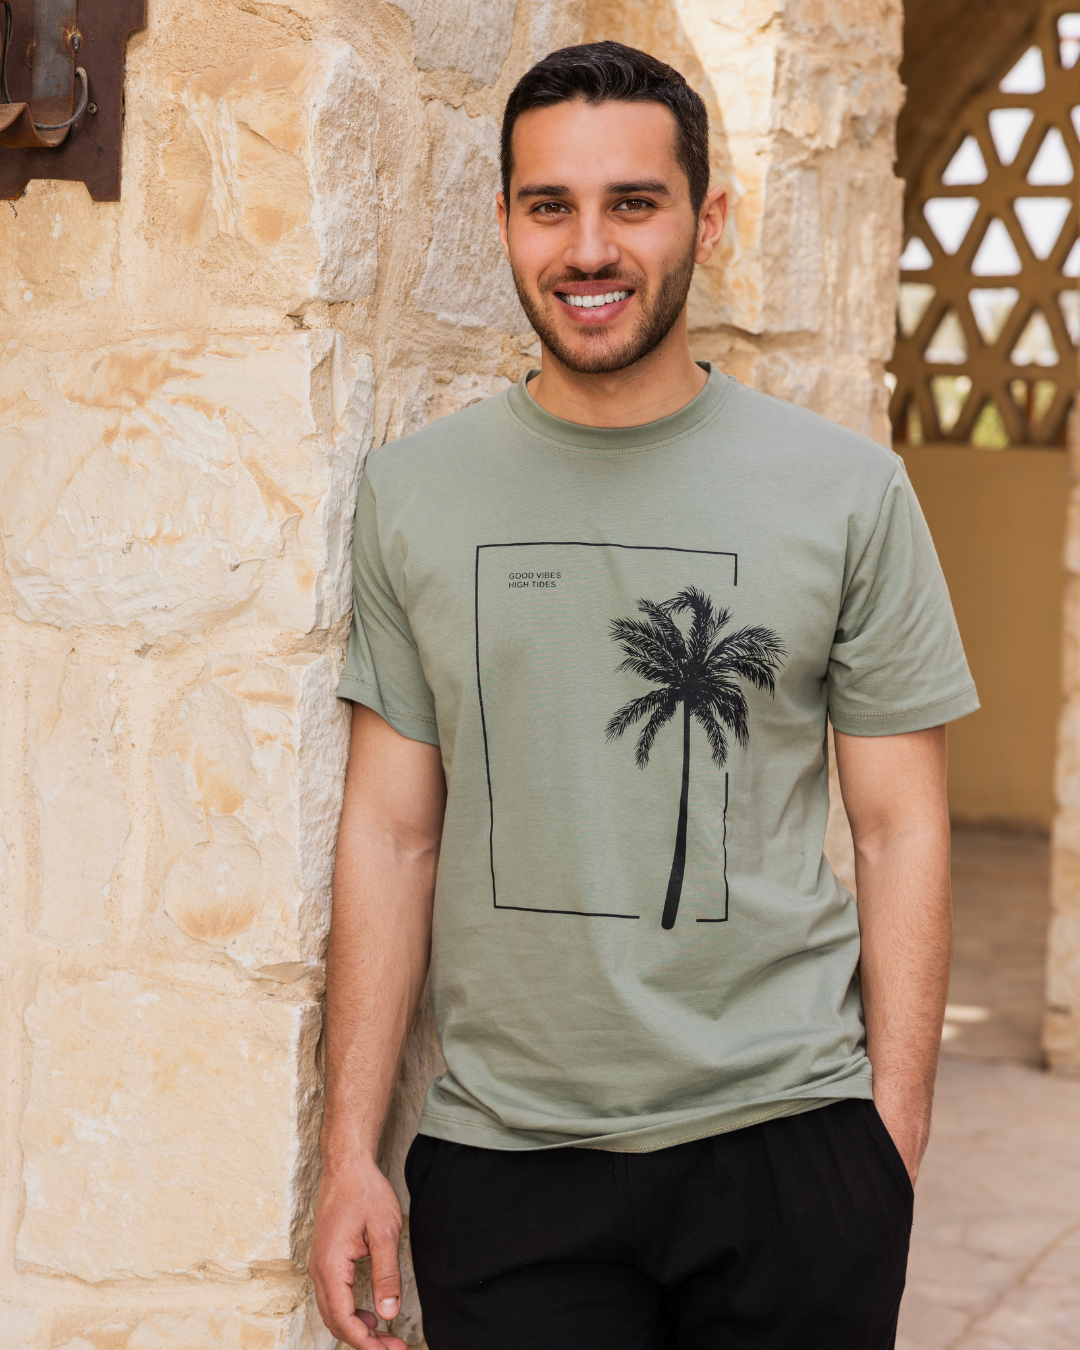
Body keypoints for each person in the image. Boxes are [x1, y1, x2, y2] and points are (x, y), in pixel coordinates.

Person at [309, 41, 977, 1350]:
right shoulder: (414, 494)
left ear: (708, 220)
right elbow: (391, 833)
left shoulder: (847, 491)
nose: (588, 248)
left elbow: (901, 828)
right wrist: (349, 1153)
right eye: (549, 206)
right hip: (507, 1160)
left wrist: (887, 1146)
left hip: (789, 1141)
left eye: (633, 202)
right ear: (504, 221)